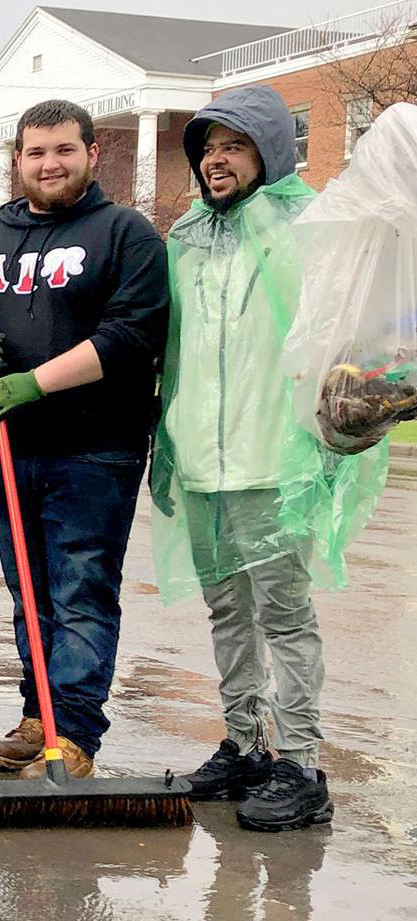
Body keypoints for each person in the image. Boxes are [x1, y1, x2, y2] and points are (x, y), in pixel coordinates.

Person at [153, 86, 384, 831]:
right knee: (226, 609)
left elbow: (350, 326)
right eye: (207, 148)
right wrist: (165, 442)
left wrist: (323, 441)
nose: (216, 160)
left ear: (268, 150)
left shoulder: (309, 225)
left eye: (233, 146)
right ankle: (245, 743)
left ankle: (301, 765)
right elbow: (175, 348)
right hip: (201, 457)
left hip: (272, 457)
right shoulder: (185, 236)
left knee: (284, 614)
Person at [0, 100, 169, 779]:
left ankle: (75, 739)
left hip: (93, 450)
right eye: (35, 152)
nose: (48, 164)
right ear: (17, 161)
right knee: (27, 591)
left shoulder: (126, 234)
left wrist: (36, 383)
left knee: (79, 590)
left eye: (63, 150)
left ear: (91, 154)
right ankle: (39, 717)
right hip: (2, 449)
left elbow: (132, 334)